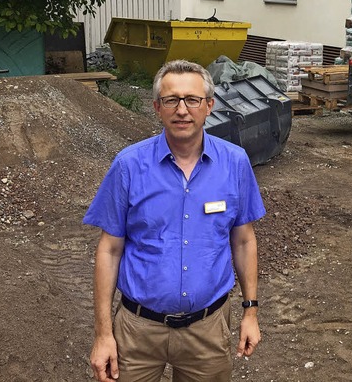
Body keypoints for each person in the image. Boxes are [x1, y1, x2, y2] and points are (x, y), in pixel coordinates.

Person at [84, 59, 265, 381]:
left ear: (209, 106)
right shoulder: (128, 166)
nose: (182, 110)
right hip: (137, 331)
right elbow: (109, 250)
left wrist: (250, 311)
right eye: (172, 100)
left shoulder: (235, 164)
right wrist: (103, 334)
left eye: (192, 100)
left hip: (207, 331)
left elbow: (244, 239)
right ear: (157, 107)